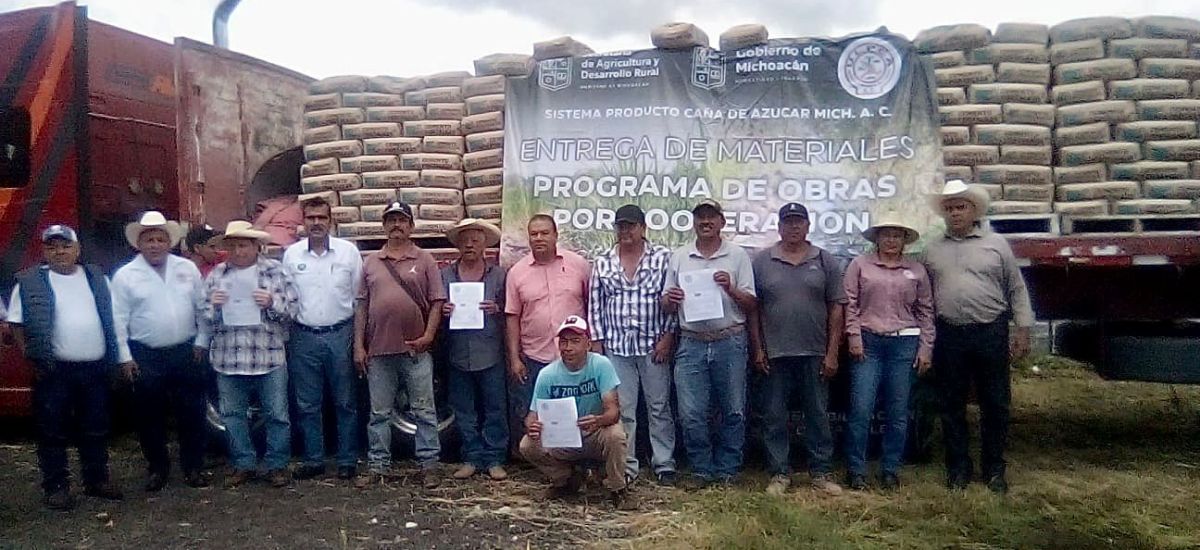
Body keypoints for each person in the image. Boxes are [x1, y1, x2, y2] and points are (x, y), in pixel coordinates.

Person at [923, 180, 1034, 494]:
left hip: (990, 331)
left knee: (995, 402)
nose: (955, 213)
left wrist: (1023, 329)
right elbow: (923, 295)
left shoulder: (997, 245)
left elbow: (1016, 288)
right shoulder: (932, 250)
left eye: (961, 207)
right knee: (950, 403)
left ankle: (994, 469)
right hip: (949, 334)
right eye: (950, 208)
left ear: (974, 210)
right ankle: (958, 468)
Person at [8, 225, 124, 510]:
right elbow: (16, 323)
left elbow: (114, 316)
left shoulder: (96, 277)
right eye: (52, 247)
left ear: (77, 249)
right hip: (54, 371)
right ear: (45, 251)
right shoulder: (29, 282)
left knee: (96, 427)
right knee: (52, 431)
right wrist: (32, 355)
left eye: (65, 245)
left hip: (95, 369)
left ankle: (96, 479)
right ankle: (56, 487)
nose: (59, 252)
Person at [747, 202, 847, 496]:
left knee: (817, 414)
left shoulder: (825, 260)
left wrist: (832, 353)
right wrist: (758, 348)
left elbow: (837, 310)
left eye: (798, 222)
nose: (793, 227)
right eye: (788, 222)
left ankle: (821, 473)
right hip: (774, 353)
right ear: (779, 227)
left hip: (815, 352)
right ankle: (779, 473)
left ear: (807, 226)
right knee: (774, 415)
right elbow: (753, 310)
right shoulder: (762, 261)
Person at [111, 211, 210, 492]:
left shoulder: (187, 268)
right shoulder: (125, 276)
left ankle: (194, 467)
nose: (154, 244)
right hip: (145, 354)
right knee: (148, 415)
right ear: (138, 244)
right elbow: (117, 319)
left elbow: (202, 308)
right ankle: (158, 469)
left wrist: (202, 340)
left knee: (192, 411)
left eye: (159, 239)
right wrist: (124, 357)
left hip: (187, 350)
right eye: (148, 239)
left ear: (169, 242)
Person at [662, 199, 756, 489]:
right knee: (691, 412)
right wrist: (671, 300)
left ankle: (727, 470)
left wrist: (730, 288)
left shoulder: (737, 255)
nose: (705, 222)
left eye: (711, 217)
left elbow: (752, 302)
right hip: (691, 342)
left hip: (729, 339)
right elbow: (665, 303)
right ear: (693, 222)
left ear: (721, 222)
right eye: (700, 217)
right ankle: (702, 469)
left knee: (734, 409)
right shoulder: (680, 256)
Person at [354, 201, 446, 490]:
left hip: (415, 349)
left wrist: (429, 336)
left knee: (424, 410)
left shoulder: (425, 259)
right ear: (383, 226)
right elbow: (361, 306)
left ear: (411, 226)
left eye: (402, 220)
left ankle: (429, 465)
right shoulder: (371, 262)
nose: (396, 225)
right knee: (379, 413)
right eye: (391, 220)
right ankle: (378, 465)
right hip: (379, 351)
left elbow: (437, 302)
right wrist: (359, 346)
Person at [842, 212, 935, 491]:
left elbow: (926, 311)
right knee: (861, 408)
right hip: (868, 342)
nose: (891, 240)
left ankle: (890, 469)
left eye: (897, 235)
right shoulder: (859, 265)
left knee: (898, 411)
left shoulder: (916, 270)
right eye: (886, 235)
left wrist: (926, 347)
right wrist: (854, 337)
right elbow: (850, 304)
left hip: (904, 343)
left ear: (905, 240)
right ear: (877, 238)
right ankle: (856, 470)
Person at [203, 220, 298, 489]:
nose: (238, 251)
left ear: (257, 246)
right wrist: (215, 307)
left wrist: (272, 303)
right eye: (233, 246)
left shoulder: (275, 272)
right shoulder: (216, 275)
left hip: (267, 355)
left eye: (243, 245)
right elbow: (204, 317)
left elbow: (292, 310)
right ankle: (243, 463)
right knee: (232, 415)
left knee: (277, 414)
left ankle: (276, 465)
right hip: (229, 357)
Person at [588, 204, 677, 486]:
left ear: (643, 228)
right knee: (624, 410)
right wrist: (598, 343)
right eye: (621, 226)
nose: (625, 231)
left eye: (631, 226)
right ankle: (627, 465)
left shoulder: (663, 258)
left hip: (654, 347)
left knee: (659, 407)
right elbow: (595, 306)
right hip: (616, 348)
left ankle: (664, 463)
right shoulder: (602, 261)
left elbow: (673, 301)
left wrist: (668, 337)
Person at [283, 197, 363, 481]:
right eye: (310, 218)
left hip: (339, 334)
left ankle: (346, 460)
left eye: (322, 218)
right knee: (307, 404)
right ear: (302, 222)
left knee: (345, 402)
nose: (316, 223)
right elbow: (286, 298)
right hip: (303, 336)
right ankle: (314, 459)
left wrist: (358, 342)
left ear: (331, 222)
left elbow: (359, 299)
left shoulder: (348, 253)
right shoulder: (291, 255)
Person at [519, 315, 636, 510]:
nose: (568, 347)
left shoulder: (601, 365)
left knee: (616, 434)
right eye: (563, 342)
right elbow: (532, 416)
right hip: (563, 438)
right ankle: (566, 480)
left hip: (595, 433)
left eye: (575, 341)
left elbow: (613, 412)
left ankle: (618, 488)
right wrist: (533, 427)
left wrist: (598, 420)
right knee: (527, 445)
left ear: (588, 344)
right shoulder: (547, 375)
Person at [504, 214, 590, 453]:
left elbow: (592, 305)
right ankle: (547, 464)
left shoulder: (579, 266)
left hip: (574, 356)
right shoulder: (517, 273)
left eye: (545, 233)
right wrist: (514, 357)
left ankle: (579, 461)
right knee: (539, 416)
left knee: (579, 412)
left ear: (556, 236)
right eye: (534, 234)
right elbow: (512, 316)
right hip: (535, 356)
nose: (539, 238)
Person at [441, 219, 509, 481]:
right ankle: (471, 457)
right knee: (463, 409)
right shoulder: (445, 275)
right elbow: (433, 309)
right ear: (458, 244)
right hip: (457, 352)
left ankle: (494, 459)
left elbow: (512, 311)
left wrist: (497, 310)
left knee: (495, 408)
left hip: (490, 351)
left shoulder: (499, 276)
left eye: (475, 239)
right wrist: (444, 310)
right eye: (464, 239)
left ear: (485, 245)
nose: (469, 244)